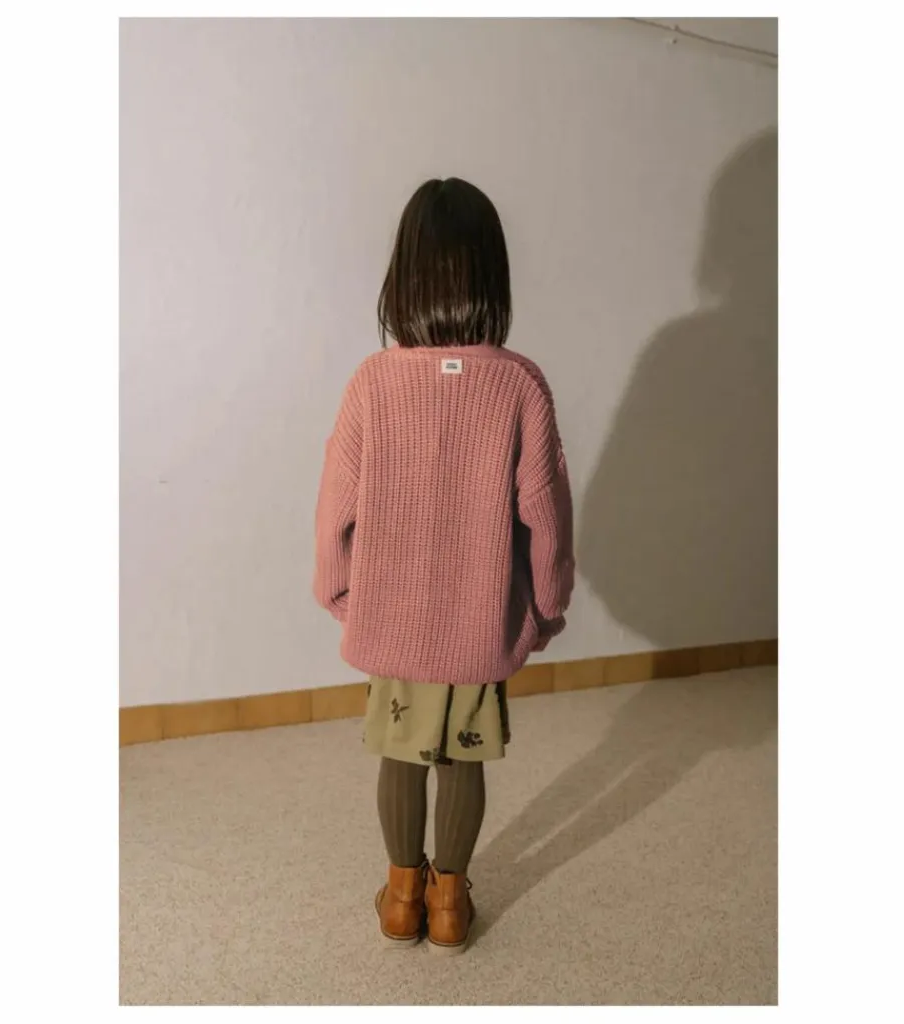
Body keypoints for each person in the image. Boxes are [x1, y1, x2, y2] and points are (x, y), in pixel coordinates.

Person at [314, 178, 574, 955]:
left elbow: (335, 505)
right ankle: (451, 902)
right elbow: (547, 513)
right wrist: (546, 606)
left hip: (392, 618)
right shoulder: (519, 383)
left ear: (404, 278)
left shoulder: (373, 381)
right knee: (465, 757)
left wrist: (341, 591)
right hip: (478, 617)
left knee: (400, 753)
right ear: (493, 275)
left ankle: (402, 899)